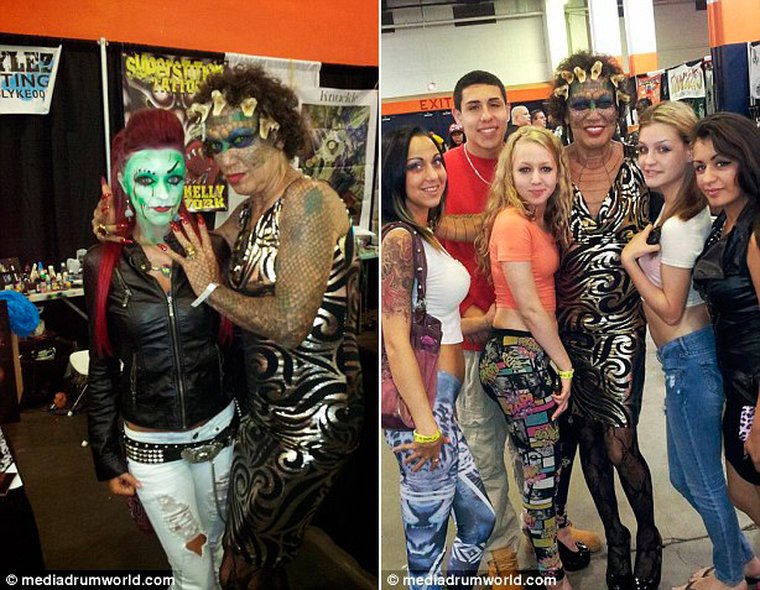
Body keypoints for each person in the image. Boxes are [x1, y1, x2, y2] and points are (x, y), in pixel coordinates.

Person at [158, 65, 364, 589]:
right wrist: (134, 222)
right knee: (250, 551)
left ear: (276, 131)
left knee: (243, 560)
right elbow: (200, 244)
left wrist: (210, 289)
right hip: (265, 414)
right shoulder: (252, 209)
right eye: (215, 145)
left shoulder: (309, 201)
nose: (225, 159)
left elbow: (291, 324)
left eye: (240, 140)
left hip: (316, 417)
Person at [440, 70, 598, 589]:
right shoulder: (444, 172)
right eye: (474, 106)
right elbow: (428, 236)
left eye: (495, 104)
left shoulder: (527, 176)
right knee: (486, 452)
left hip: (524, 340)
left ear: (508, 109)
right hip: (478, 338)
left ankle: (546, 535)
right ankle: (503, 550)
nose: (486, 116)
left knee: (538, 455)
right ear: (457, 115)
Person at [85, 108, 236, 590]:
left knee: (219, 552)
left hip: (219, 436)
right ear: (124, 183)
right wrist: (107, 458)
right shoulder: (103, 264)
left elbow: (231, 344)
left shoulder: (210, 249)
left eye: (173, 179)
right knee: (193, 571)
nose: (162, 194)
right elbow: (102, 363)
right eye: (146, 179)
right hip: (152, 448)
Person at [622, 102, 760, 590]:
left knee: (707, 481)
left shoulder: (689, 223)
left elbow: (671, 309)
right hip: (694, 362)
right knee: (691, 478)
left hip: (693, 360)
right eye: (643, 149)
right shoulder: (699, 215)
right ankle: (742, 558)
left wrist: (630, 263)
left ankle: (731, 574)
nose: (650, 160)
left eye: (664, 149)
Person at [547, 50, 660, 590]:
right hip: (566, 332)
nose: (594, 113)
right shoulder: (549, 170)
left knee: (620, 442)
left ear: (619, 106)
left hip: (623, 327)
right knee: (589, 442)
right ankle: (615, 537)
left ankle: (649, 535)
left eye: (604, 102)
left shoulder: (643, 165)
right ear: (564, 111)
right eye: (581, 104)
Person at [382, 125, 495, 590]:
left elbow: (438, 323)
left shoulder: (424, 233)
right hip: (421, 411)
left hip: (442, 406)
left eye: (435, 162)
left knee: (480, 521)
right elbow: (395, 339)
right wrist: (425, 424)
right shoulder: (399, 240)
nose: (433, 174)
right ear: (395, 175)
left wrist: (487, 321)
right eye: (416, 166)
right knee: (425, 554)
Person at [476, 126, 576, 589]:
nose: (537, 179)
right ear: (508, 174)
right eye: (525, 170)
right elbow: (530, 307)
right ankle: (551, 573)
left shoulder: (534, 218)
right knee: (540, 469)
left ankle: (550, 545)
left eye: (545, 169)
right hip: (518, 357)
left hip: (528, 354)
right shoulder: (512, 222)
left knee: (541, 461)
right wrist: (565, 365)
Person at [692, 114, 760, 549]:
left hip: (754, 383)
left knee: (745, 483)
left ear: (746, 159)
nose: (708, 178)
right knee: (740, 486)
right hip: (736, 380)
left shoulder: (755, 229)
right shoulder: (726, 222)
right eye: (700, 167)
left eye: (721, 163)